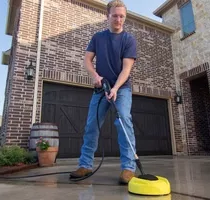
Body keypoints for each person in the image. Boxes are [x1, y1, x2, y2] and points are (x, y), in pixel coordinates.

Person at [69, 0, 138, 185]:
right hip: (101, 89)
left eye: (122, 16)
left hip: (121, 89)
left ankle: (128, 168)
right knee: (92, 124)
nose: (118, 19)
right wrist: (95, 75)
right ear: (107, 16)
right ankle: (85, 165)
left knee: (123, 120)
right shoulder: (98, 37)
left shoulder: (128, 40)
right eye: (115, 15)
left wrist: (115, 88)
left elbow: (126, 70)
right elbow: (87, 60)